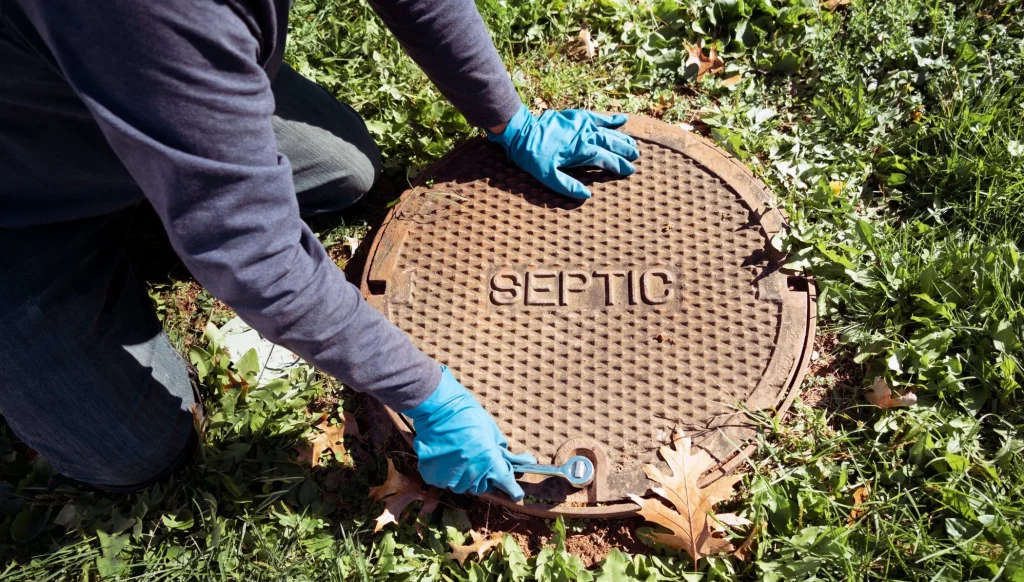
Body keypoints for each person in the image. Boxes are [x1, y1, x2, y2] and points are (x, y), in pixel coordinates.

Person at [0, 0, 638, 500]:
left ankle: (184, 142)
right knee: (131, 450)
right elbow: (255, 253)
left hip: (134, 69)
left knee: (347, 170)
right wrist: (426, 394)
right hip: (24, 192)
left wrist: (508, 118)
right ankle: (172, 164)